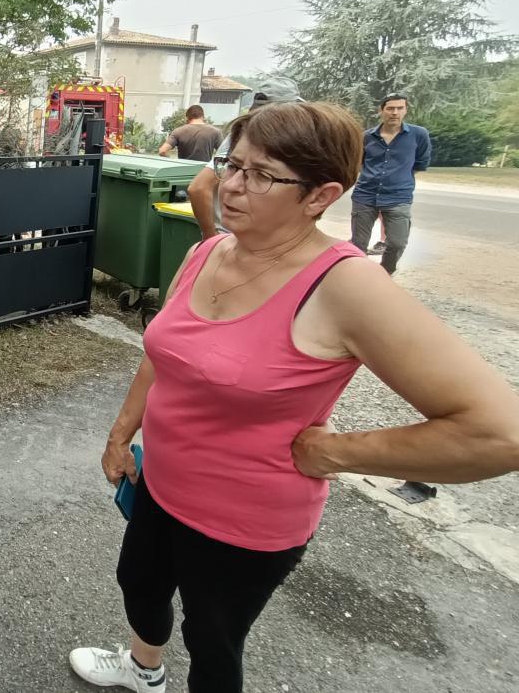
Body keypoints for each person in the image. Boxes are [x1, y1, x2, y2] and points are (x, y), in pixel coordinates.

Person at [70, 101, 519, 693]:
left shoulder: (346, 283)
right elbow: (163, 353)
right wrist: (121, 431)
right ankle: (142, 668)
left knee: (213, 641)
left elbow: (497, 432)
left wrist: (336, 453)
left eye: (261, 175)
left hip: (243, 521)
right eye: (232, 164)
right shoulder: (207, 251)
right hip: (161, 483)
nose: (231, 185)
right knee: (139, 584)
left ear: (319, 195)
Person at [187, 76, 304, 238]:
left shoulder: (278, 139)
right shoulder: (246, 134)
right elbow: (198, 188)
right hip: (232, 236)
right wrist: (210, 237)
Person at [350, 94, 431, 274]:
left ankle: (385, 274)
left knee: (397, 243)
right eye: (390, 108)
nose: (395, 113)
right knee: (358, 244)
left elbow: (420, 164)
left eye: (399, 108)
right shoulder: (367, 136)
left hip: (398, 197)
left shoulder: (419, 135)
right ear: (381, 111)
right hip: (365, 196)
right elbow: (358, 163)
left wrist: (397, 178)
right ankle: (357, 277)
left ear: (405, 110)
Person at [158, 105, 222, 161]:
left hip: (183, 171)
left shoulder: (178, 131)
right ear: (203, 116)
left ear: (187, 117)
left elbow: (162, 151)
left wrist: (170, 159)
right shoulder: (215, 132)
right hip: (204, 171)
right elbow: (224, 153)